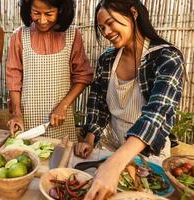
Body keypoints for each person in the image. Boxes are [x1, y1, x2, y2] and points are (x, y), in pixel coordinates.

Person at [74, 0, 183, 199]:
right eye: (102, 28)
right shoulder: (107, 59)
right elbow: (97, 102)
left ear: (133, 13)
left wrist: (114, 164)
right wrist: (90, 137)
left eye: (110, 23)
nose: (106, 32)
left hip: (148, 153)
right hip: (111, 143)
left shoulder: (167, 58)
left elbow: (156, 114)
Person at [6, 0, 93, 141]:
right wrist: (17, 114)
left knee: (61, 158)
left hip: (60, 120)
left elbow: (83, 76)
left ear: (61, 10)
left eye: (49, 13)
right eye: (36, 13)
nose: (42, 20)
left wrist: (63, 106)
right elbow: (13, 78)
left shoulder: (72, 35)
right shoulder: (20, 36)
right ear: (28, 9)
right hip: (27, 119)